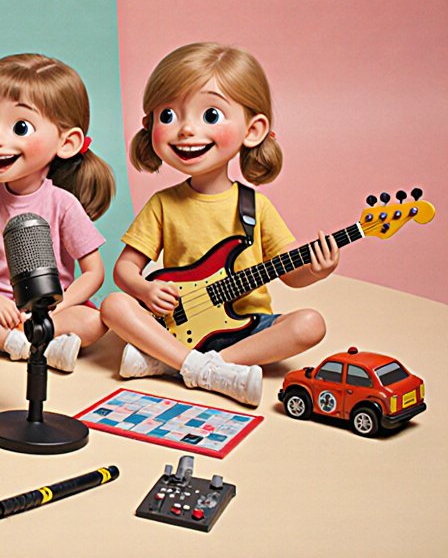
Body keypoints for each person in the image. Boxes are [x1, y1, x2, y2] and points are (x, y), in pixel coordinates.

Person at [100, 42, 338, 406]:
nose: (185, 130)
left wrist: (316, 270)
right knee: (114, 305)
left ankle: (183, 365)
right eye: (168, 116)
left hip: (248, 329)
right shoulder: (164, 203)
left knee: (310, 324)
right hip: (178, 325)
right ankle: (206, 369)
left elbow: (290, 272)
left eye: (210, 116)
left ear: (253, 130)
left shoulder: (254, 206)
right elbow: (125, 270)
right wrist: (146, 291)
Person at [0, 54, 113, 372]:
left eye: (19, 126)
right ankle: (18, 343)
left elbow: (93, 273)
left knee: (95, 321)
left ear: (68, 142)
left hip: (50, 308)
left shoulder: (62, 204)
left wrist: (59, 309)